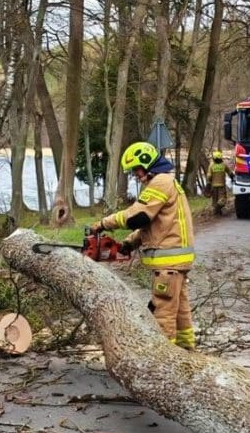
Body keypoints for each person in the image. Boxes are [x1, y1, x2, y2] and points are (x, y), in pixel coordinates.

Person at [90, 142, 196, 349]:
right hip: (177, 263)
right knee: (180, 312)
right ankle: (187, 352)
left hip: (168, 263)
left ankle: (163, 358)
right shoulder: (168, 182)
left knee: (162, 312)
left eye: (136, 170)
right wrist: (130, 243)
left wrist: (102, 224)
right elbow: (154, 224)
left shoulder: (160, 182)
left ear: (147, 164)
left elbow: (137, 216)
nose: (136, 175)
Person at [206, 150, 234, 215]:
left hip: (213, 186)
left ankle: (216, 210)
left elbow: (209, 176)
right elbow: (230, 173)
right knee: (222, 200)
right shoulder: (224, 165)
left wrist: (208, 183)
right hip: (222, 186)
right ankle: (217, 209)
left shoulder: (211, 165)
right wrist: (233, 178)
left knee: (214, 200)